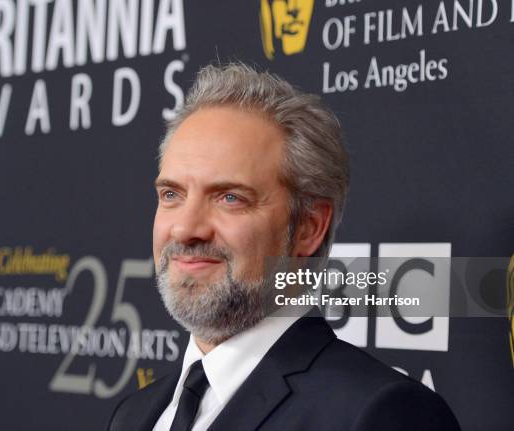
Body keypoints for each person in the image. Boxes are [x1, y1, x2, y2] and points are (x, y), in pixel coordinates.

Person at [108, 63, 461, 431]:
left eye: (229, 197)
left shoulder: (381, 414)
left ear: (309, 227)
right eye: (171, 194)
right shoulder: (133, 416)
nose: (185, 228)